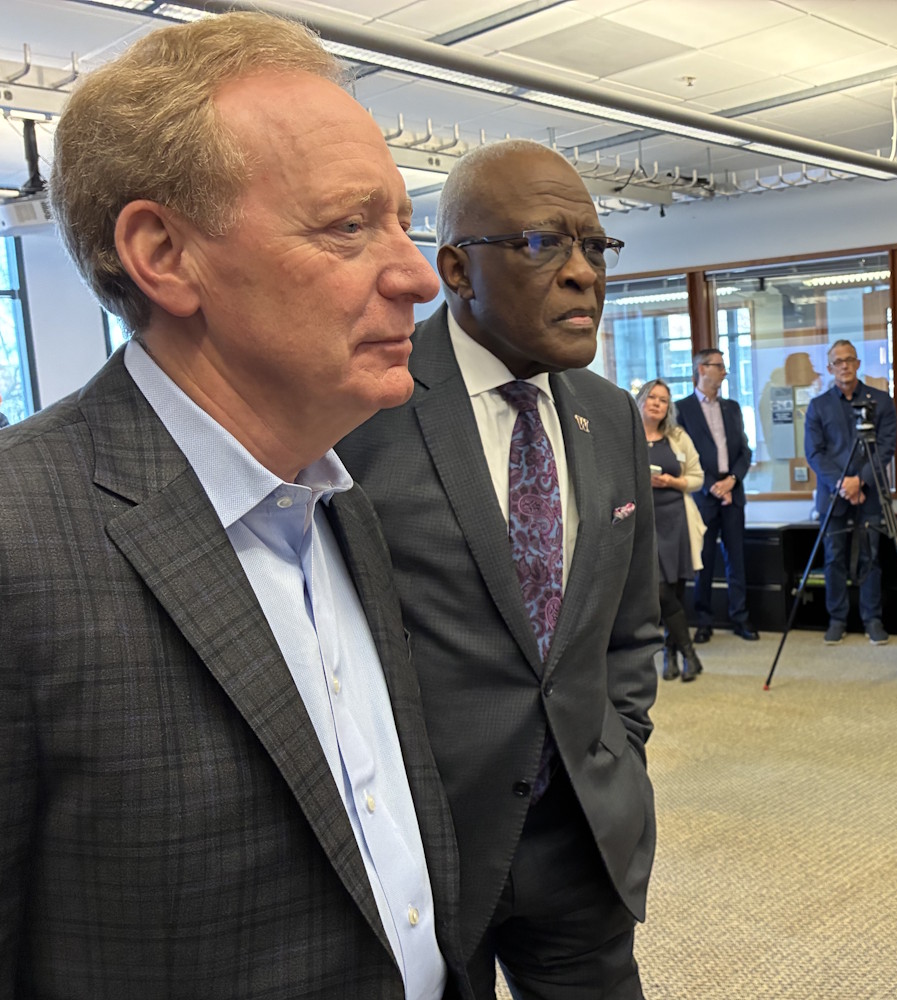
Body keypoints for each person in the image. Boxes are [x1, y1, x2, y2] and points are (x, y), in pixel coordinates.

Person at [0, 14, 471, 999]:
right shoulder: (19, 538)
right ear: (165, 254)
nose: (418, 276)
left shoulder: (340, 504)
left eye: (403, 220)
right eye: (350, 225)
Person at [338, 139, 659, 1000]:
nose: (583, 273)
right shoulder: (368, 408)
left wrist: (618, 748)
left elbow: (632, 627)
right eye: (540, 243)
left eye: (595, 246)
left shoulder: (610, 416)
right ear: (455, 268)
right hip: (432, 846)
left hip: (584, 835)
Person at [805, 339, 897, 645]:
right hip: (834, 494)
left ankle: (872, 618)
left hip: (870, 491)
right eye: (837, 362)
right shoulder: (818, 406)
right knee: (834, 558)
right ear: (830, 368)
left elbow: (886, 447)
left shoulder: (880, 401)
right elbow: (814, 453)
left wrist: (861, 481)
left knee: (871, 556)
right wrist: (843, 484)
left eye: (849, 360)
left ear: (858, 364)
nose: (844, 366)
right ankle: (837, 618)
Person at [676, 348, 758, 643]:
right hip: (703, 494)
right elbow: (683, 455)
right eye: (719, 366)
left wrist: (732, 480)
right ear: (702, 369)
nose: (725, 371)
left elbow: (745, 450)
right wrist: (712, 484)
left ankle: (741, 618)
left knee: (737, 558)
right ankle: (704, 621)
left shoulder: (733, 408)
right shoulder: (681, 409)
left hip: (733, 492)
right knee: (705, 561)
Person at [637, 378, 707, 682]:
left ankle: (672, 656)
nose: (656, 403)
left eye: (663, 400)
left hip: (676, 520)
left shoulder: (677, 437)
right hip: (644, 523)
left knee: (675, 591)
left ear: (668, 408)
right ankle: (689, 653)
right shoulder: (628, 434)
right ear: (640, 400)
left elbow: (697, 478)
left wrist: (672, 482)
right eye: (651, 397)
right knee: (661, 592)